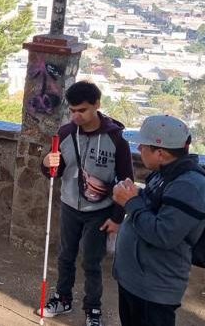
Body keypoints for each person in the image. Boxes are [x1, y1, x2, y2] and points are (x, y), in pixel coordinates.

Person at [40, 81, 134, 326]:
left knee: (91, 262)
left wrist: (116, 217)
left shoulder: (116, 141)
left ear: (97, 105)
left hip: (100, 212)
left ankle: (93, 309)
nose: (76, 116)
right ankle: (63, 297)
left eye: (81, 110)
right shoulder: (65, 134)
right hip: (70, 205)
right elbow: (55, 171)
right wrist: (46, 163)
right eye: (72, 110)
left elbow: (127, 181)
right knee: (65, 256)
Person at [112, 115, 205, 326]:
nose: (139, 148)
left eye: (143, 145)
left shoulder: (190, 185)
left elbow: (162, 235)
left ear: (160, 153)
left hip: (154, 290)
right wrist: (135, 195)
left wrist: (130, 202)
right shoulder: (165, 174)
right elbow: (154, 208)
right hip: (137, 282)